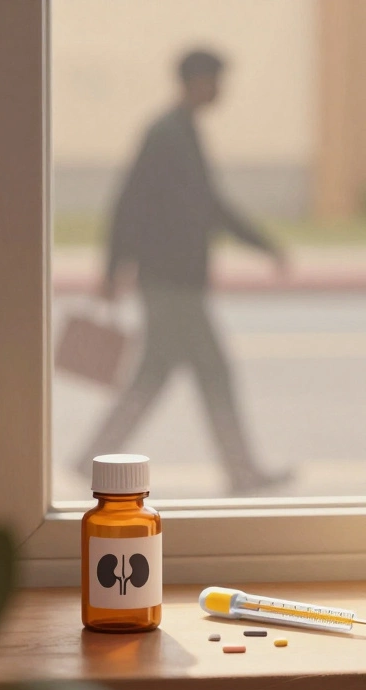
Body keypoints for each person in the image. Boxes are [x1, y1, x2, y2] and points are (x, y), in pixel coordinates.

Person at [76, 49, 292, 493]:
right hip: (170, 283)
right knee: (212, 372)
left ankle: (91, 459)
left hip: (175, 281)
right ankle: (241, 471)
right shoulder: (166, 134)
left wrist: (261, 244)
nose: (219, 90)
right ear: (195, 81)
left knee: (154, 377)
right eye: (215, 80)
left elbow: (209, 205)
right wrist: (112, 268)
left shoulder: (183, 132)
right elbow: (130, 202)